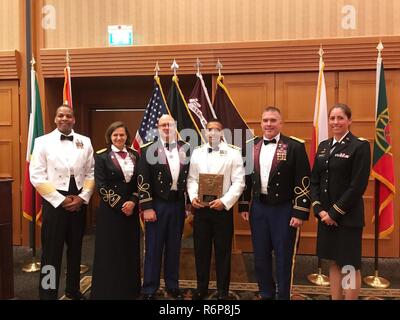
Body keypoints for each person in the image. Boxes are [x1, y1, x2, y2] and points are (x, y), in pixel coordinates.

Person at [239, 106, 311, 300]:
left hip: (284, 209)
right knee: (260, 256)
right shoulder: (250, 145)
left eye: (273, 120)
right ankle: (266, 293)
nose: (268, 124)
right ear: (261, 123)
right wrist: (244, 205)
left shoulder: (295, 146)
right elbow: (245, 178)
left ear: (281, 123)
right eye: (265, 120)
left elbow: (303, 180)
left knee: (284, 256)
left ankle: (283, 295)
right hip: (259, 209)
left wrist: (299, 212)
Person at [30, 104, 95, 300]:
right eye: (60, 115)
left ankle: (72, 289)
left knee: (76, 250)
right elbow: (37, 176)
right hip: (54, 203)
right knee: (51, 253)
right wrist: (61, 199)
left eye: (68, 116)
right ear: (56, 119)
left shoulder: (85, 141)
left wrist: (82, 198)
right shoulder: (42, 142)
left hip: (78, 201)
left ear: (74, 119)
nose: (64, 118)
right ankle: (47, 294)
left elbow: (91, 172)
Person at [310, 103, 371, 300]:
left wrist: (333, 214)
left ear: (349, 121)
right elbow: (315, 181)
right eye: (332, 118)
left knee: (349, 265)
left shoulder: (359, 146)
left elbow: (357, 186)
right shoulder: (323, 146)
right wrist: (319, 210)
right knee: (334, 262)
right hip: (326, 216)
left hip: (347, 217)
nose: (335, 122)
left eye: (340, 118)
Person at [187, 119, 245, 300]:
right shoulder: (196, 153)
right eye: (209, 130)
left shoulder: (234, 154)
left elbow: (239, 182)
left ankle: (222, 291)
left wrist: (225, 201)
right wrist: (193, 197)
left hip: (222, 210)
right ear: (205, 133)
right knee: (201, 251)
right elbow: (191, 179)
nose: (212, 133)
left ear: (222, 133)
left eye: (216, 130)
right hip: (201, 211)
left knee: (223, 252)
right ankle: (201, 288)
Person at [137, 114, 190, 300]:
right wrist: (147, 207)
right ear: (158, 127)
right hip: (157, 205)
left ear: (175, 126)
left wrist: (188, 204)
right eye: (163, 125)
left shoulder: (185, 148)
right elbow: (143, 179)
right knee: (153, 247)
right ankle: (150, 288)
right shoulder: (148, 149)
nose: (167, 128)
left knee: (174, 247)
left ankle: (172, 285)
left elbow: (190, 178)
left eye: (170, 124)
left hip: (177, 204)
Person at [90, 121, 141, 300]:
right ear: (110, 137)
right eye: (115, 135)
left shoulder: (135, 155)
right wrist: (121, 205)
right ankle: (108, 291)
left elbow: (140, 183)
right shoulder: (102, 156)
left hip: (131, 210)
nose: (119, 138)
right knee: (110, 250)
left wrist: (133, 202)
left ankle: (129, 290)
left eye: (122, 134)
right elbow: (101, 186)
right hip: (111, 212)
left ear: (127, 136)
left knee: (129, 249)